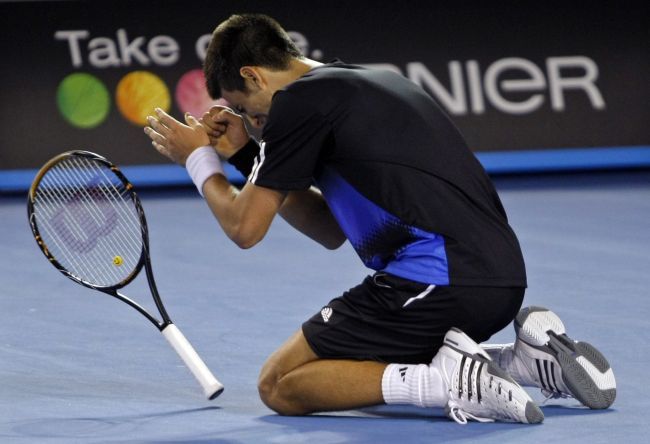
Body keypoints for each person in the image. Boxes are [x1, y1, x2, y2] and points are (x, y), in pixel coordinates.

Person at [143, 13, 615, 423]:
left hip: (437, 283)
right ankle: (521, 364)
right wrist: (249, 155)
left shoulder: (295, 106)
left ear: (254, 74)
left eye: (245, 109)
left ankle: (446, 381)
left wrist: (199, 160)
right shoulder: (366, 83)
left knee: (281, 384)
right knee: (358, 366)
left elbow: (244, 229)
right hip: (499, 282)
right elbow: (330, 230)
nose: (251, 122)